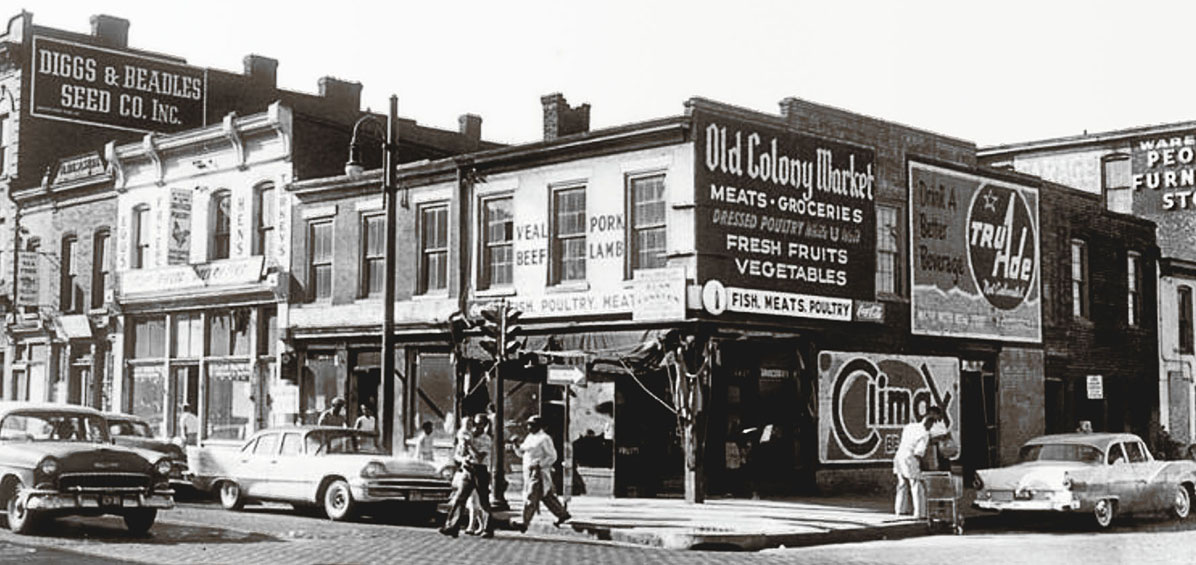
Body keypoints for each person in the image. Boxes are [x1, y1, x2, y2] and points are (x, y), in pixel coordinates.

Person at [439, 414, 496, 538]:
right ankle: (452, 526)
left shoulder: (486, 439)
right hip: (468, 469)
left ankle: (488, 528)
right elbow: (459, 453)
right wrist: (463, 449)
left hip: (480, 470)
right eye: (475, 424)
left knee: (483, 500)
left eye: (480, 424)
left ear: (485, 425)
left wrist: (470, 445)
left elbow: (480, 457)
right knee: (460, 498)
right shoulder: (469, 435)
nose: (476, 427)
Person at [515, 414, 571, 531]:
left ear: (539, 426)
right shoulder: (530, 437)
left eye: (532, 425)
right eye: (528, 425)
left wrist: (539, 465)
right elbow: (524, 453)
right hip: (528, 471)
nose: (529, 427)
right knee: (546, 496)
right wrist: (516, 446)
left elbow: (552, 456)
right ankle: (562, 514)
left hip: (538, 472)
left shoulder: (544, 438)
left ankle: (524, 522)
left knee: (531, 496)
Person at [893, 406, 943, 519]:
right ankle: (920, 513)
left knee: (901, 484)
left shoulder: (909, 426)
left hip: (899, 456)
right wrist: (924, 468)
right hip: (910, 458)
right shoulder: (924, 434)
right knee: (916, 484)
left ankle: (900, 510)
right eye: (933, 423)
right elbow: (918, 453)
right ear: (929, 423)